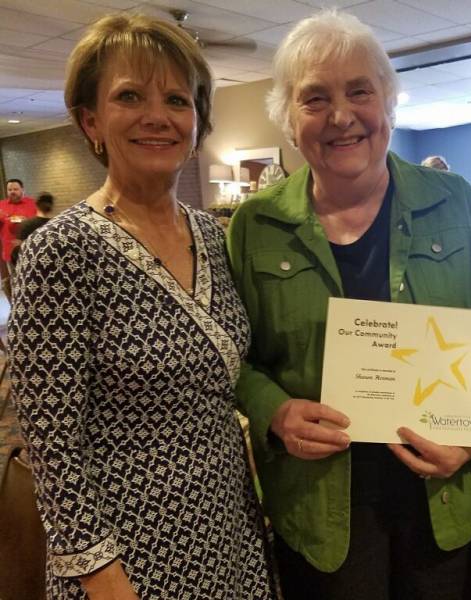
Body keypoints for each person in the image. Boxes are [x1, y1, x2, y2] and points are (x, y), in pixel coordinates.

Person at [228, 10, 471, 600]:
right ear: (288, 119)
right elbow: (235, 356)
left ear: (389, 101)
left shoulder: (453, 200)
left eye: (360, 91)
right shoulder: (257, 223)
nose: (342, 115)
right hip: (320, 503)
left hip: (445, 495)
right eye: (315, 98)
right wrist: (275, 410)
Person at [9, 13, 276, 600]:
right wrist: (103, 578)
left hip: (226, 536)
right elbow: (52, 448)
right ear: (91, 120)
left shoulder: (212, 237)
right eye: (130, 96)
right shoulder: (62, 252)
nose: (157, 116)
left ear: (197, 122)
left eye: (177, 99)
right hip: (126, 561)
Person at [0, 178, 37, 296]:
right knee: (13, 281)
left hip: (30, 249)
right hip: (9, 251)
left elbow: (37, 224)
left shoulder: (32, 203)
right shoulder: (1, 205)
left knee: (31, 280)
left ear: (22, 190)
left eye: (15, 189)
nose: (12, 192)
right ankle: (16, 308)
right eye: (9, 189)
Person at [10, 191, 54, 265]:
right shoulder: (55, 225)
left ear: (36, 205)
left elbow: (17, 253)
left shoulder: (25, 225)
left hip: (30, 266)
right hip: (50, 265)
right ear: (51, 207)